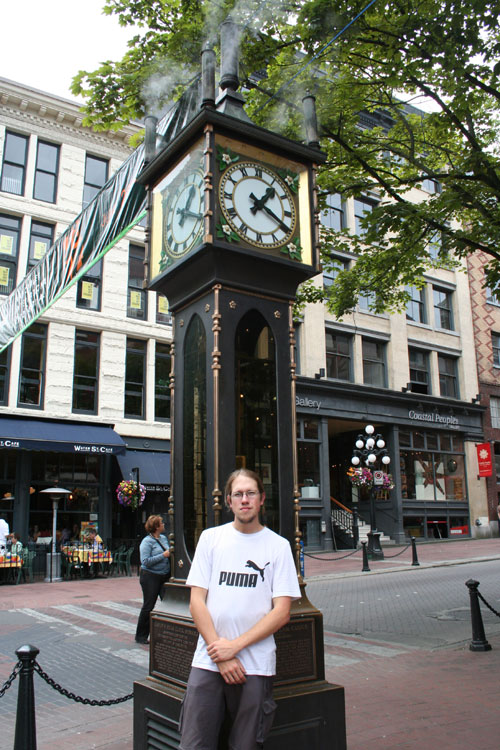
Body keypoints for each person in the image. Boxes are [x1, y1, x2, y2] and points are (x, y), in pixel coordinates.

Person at [179, 469, 301, 750]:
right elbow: (196, 601)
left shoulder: (279, 547)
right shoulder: (210, 540)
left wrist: (233, 647)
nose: (244, 499)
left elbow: (281, 611)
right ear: (229, 502)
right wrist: (220, 654)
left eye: (250, 493)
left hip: (255, 664)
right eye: (238, 494)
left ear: (261, 500)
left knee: (246, 744)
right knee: (194, 743)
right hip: (208, 660)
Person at [135, 515, 171, 645]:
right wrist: (163, 555)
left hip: (164, 575)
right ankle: (141, 636)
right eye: (161, 523)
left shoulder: (163, 538)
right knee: (149, 605)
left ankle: (168, 633)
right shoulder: (146, 542)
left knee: (169, 603)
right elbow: (145, 561)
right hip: (150, 576)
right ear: (156, 526)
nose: (164, 525)